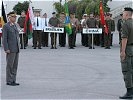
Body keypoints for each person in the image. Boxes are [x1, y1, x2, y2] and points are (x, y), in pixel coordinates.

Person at [2, 11, 20, 86]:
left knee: (15, 65)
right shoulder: (6, 26)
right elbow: (4, 38)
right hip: (10, 49)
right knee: (10, 65)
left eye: (15, 17)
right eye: (13, 17)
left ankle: (13, 80)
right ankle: (9, 81)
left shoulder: (15, 25)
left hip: (16, 48)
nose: (15, 18)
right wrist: (6, 48)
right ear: (9, 18)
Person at [119, 7, 133, 99]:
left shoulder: (125, 24)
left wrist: (123, 52)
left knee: (127, 70)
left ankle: (129, 92)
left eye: (123, 13)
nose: (123, 15)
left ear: (127, 14)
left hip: (128, 49)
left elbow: (124, 39)